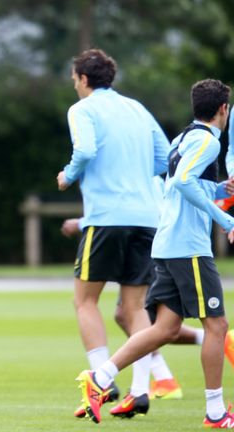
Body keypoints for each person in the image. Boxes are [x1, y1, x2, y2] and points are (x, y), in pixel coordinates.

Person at [77, 78, 234, 427]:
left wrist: (219, 188)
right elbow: (181, 183)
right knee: (217, 325)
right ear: (223, 109)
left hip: (165, 246)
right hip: (188, 248)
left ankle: (99, 378)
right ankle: (215, 413)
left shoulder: (183, 138)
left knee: (164, 327)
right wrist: (224, 216)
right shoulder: (208, 142)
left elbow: (178, 184)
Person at [57, 48, 170, 418]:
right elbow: (163, 157)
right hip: (146, 217)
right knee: (135, 307)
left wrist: (68, 175)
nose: (74, 85)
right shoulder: (137, 109)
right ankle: (139, 391)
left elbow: (86, 149)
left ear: (84, 79)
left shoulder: (83, 109)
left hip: (106, 217)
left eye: (75, 79)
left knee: (85, 300)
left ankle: (102, 382)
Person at [61, 217, 204, 402]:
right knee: (130, 313)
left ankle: (101, 381)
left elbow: (66, 185)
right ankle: (149, 387)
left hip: (109, 222)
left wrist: (81, 222)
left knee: (85, 301)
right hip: (149, 226)